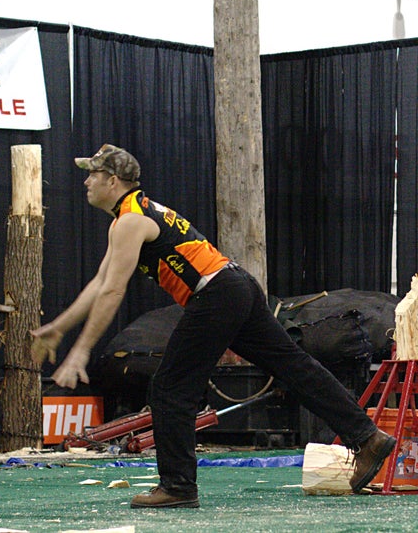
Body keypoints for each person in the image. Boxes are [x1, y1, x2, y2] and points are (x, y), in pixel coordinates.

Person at [30, 143, 397, 508]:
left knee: (170, 387)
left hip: (217, 294)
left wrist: (79, 351)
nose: (86, 183)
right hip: (235, 285)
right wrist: (59, 329)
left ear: (112, 180)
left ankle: (178, 487)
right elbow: (99, 283)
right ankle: (367, 437)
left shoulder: (130, 221)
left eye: (92, 174)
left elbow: (112, 291)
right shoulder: (129, 216)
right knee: (293, 367)